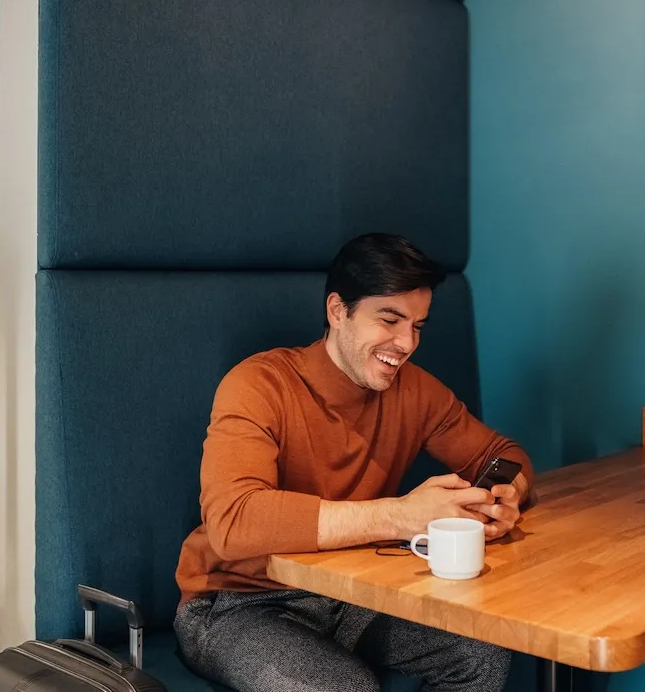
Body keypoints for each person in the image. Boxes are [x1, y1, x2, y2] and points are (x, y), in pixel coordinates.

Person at [175, 234, 535, 692]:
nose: (406, 343)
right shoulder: (258, 385)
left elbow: (505, 456)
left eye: (418, 326)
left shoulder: (415, 392)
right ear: (337, 311)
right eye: (390, 319)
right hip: (238, 601)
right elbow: (233, 523)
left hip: (351, 594)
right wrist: (399, 516)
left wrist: (506, 496)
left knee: (481, 652)